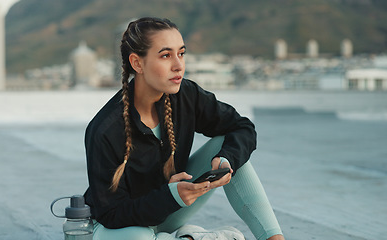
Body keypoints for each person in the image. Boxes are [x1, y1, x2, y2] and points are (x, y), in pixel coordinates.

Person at [84, 17, 284, 240]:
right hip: (119, 228)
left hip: (169, 210)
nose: (178, 65)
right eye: (166, 55)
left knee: (228, 149)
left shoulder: (186, 96)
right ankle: (190, 238)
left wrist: (227, 160)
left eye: (181, 53)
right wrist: (169, 196)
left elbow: (242, 127)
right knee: (138, 238)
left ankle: (273, 238)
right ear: (137, 63)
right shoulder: (105, 129)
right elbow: (111, 213)